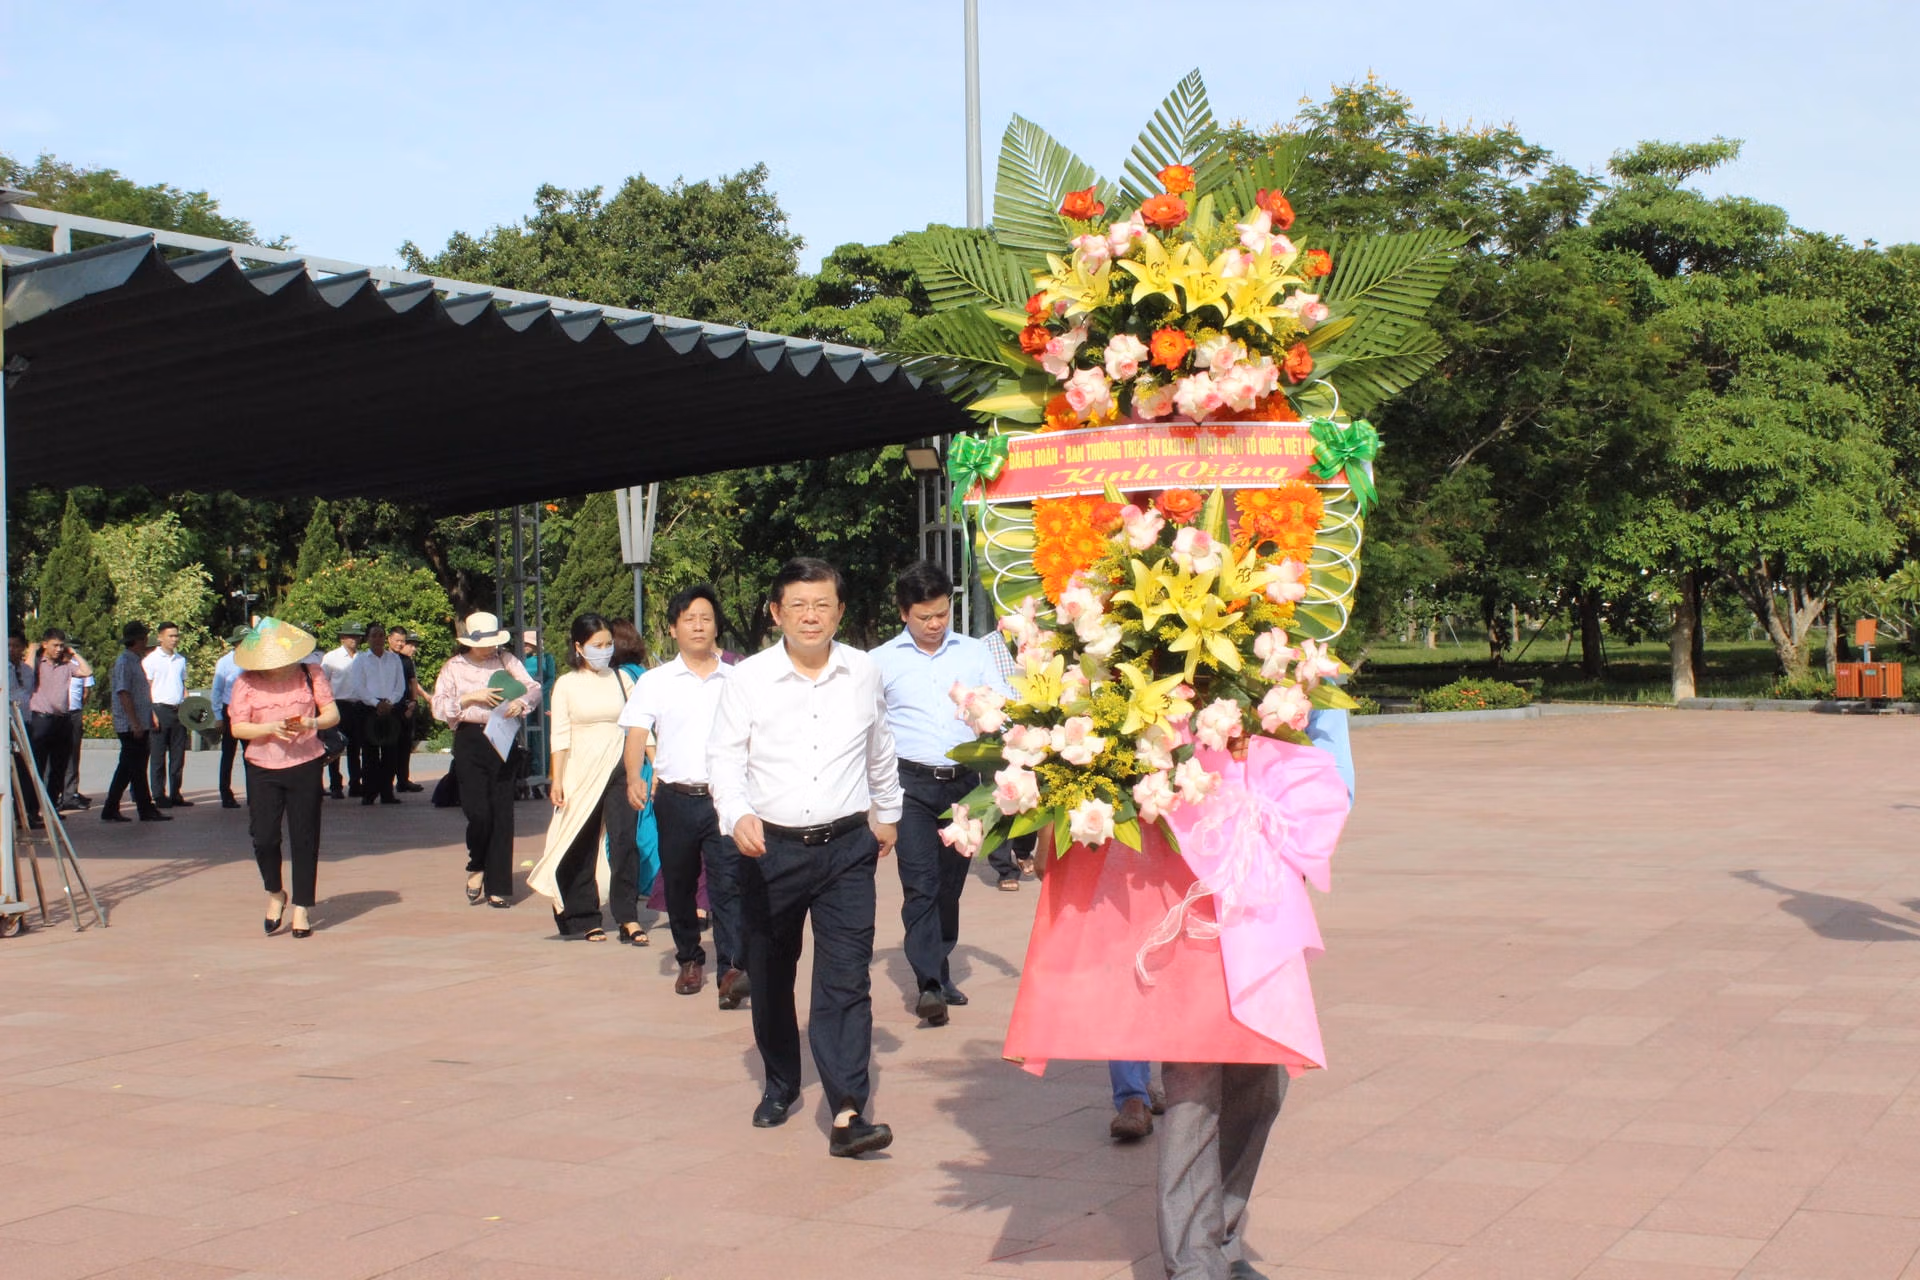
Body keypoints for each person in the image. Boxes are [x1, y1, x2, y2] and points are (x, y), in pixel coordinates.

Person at [709, 557, 901, 1158]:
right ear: (776, 613)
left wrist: (887, 812)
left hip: (847, 849)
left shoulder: (864, 671)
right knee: (770, 973)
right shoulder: (748, 679)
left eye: (822, 605)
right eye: (798, 605)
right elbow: (724, 758)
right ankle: (781, 1081)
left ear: (840, 611)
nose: (810, 616)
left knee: (846, 977)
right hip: (769, 849)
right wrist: (737, 814)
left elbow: (880, 745)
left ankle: (848, 1111)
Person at [1157, 706, 1355, 1280]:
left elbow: (1330, 754)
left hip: (1265, 864)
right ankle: (1191, 1260)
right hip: (1180, 867)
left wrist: (1295, 816)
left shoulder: (1296, 672)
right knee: (1194, 1068)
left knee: (1262, 1074)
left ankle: (1219, 1237)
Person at [869, 561, 1012, 1027]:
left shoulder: (974, 652)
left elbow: (1003, 701)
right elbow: (871, 727)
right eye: (924, 616)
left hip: (964, 786)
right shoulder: (880, 661)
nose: (934, 624)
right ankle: (929, 982)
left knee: (949, 887)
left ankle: (941, 966)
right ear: (903, 613)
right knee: (920, 885)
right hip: (909, 785)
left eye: (942, 614)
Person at [619, 587, 742, 999]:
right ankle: (689, 958)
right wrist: (634, 776)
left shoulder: (737, 678)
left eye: (706, 618)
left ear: (716, 626)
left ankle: (732, 969)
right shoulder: (655, 681)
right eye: (689, 619)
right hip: (675, 799)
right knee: (679, 883)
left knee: (729, 883)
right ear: (673, 628)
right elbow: (637, 732)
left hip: (726, 798)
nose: (698, 626)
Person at [527, 614, 644, 941]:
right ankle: (583, 916)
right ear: (579, 647)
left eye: (608, 645)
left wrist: (650, 765)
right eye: (597, 645)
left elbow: (640, 726)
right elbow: (560, 736)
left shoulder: (622, 679)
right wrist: (557, 779)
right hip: (581, 770)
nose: (604, 651)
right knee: (582, 839)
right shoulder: (567, 684)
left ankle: (628, 917)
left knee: (624, 840)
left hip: (619, 766)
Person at [227, 619, 339, 939]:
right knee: (264, 837)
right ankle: (276, 892)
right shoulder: (246, 681)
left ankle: (302, 905)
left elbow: (332, 714)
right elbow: (238, 728)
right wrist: (269, 728)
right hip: (263, 766)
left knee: (304, 836)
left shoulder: (310, 673)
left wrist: (311, 722)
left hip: (305, 762)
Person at [432, 611, 540, 909]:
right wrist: (470, 698)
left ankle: (498, 887)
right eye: (483, 644)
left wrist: (521, 702)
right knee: (478, 811)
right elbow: (438, 706)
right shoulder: (454, 667)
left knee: (502, 812)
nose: (489, 648)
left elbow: (533, 687)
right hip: (470, 738)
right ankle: (476, 863)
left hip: (502, 735)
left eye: (493, 642)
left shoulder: (506, 660)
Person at [102, 621, 168, 823]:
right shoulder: (124, 662)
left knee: (127, 768)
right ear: (137, 640)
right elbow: (123, 693)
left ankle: (111, 808)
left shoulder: (135, 660)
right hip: (130, 725)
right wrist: (134, 722)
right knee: (137, 768)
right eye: (143, 637)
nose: (146, 641)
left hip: (139, 721)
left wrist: (148, 716)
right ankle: (145, 808)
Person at [28, 629, 88, 813]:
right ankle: (33, 809)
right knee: (38, 766)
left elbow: (87, 671)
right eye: (55, 645)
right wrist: (32, 650)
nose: (59, 649)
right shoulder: (38, 663)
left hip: (62, 720)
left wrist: (73, 653)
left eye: (61, 646)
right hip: (41, 719)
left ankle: (51, 807)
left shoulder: (66, 665)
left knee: (59, 767)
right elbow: (28, 673)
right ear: (45, 644)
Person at [346, 623, 406, 806]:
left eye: (381, 635)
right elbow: (358, 686)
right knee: (369, 753)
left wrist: (389, 702)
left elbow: (400, 685)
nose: (378, 639)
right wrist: (375, 703)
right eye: (374, 636)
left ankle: (387, 792)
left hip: (390, 706)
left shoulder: (394, 659)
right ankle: (369, 792)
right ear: (367, 638)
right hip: (368, 708)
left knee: (390, 753)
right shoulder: (361, 659)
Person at [143, 622, 192, 807]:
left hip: (178, 710)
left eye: (176, 635)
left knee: (178, 756)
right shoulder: (151, 660)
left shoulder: (180, 660)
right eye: (170, 636)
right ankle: (158, 795)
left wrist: (188, 704)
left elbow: (182, 684)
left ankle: (175, 793)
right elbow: (146, 688)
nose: (174, 639)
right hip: (159, 709)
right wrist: (150, 712)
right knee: (158, 756)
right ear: (160, 637)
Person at [320, 622, 364, 798]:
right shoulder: (331, 657)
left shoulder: (362, 657)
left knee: (355, 747)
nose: (354, 640)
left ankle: (355, 784)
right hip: (338, 704)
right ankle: (336, 786)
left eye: (357, 636)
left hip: (358, 705)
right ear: (342, 638)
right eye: (350, 636)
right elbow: (322, 682)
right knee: (336, 745)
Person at [210, 625, 250, 809]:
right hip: (230, 709)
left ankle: (254, 794)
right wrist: (218, 715)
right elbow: (217, 690)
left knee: (251, 754)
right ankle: (226, 794)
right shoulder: (225, 662)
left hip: (250, 709)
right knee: (228, 753)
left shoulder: (255, 660)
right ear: (237, 643)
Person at [387, 625, 429, 793]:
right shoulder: (383, 659)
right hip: (389, 707)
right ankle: (386, 783)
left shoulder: (406, 661)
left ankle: (403, 780)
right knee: (390, 747)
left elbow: (412, 682)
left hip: (406, 707)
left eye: (402, 641)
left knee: (405, 746)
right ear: (389, 639)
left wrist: (413, 702)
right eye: (397, 640)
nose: (400, 644)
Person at [8, 633, 41, 828]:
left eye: (15, 646)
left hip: (25, 722)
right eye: (8, 645)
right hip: (9, 723)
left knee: (26, 769)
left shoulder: (27, 670)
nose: (11, 650)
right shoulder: (4, 668)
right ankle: (14, 813)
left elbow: (28, 693)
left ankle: (27, 812)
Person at [61, 653, 95, 812]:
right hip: (57, 714)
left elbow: (86, 690)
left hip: (74, 713)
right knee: (53, 758)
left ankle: (70, 794)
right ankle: (54, 794)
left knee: (73, 756)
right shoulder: (50, 665)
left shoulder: (78, 665)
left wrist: (75, 654)